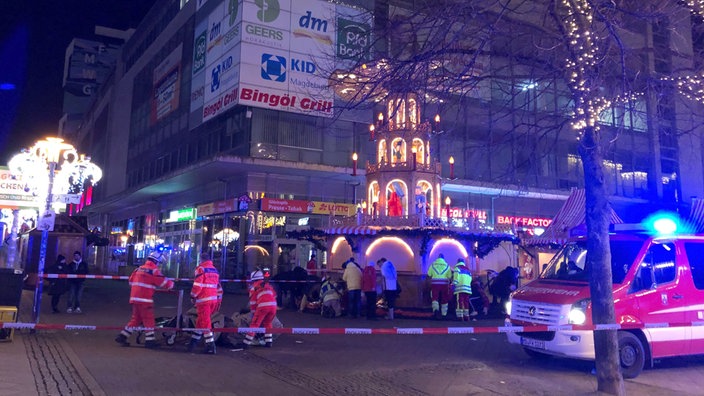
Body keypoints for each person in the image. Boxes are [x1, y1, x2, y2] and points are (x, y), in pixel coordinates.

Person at [115, 251, 174, 348]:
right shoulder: (154, 271)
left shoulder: (139, 269)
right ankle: (150, 341)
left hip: (134, 298)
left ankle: (122, 336)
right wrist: (172, 284)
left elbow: (131, 281)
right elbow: (166, 284)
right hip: (145, 300)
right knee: (149, 320)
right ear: (156, 261)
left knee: (136, 319)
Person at [187, 252, 223, 354]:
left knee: (205, 323)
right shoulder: (214, 270)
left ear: (201, 259)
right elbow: (217, 286)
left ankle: (210, 346)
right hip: (213, 300)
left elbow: (198, 285)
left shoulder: (201, 269)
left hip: (203, 300)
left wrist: (193, 295)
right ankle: (193, 342)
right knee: (201, 321)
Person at [240, 268, 277, 349]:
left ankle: (246, 343)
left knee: (254, 324)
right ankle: (269, 342)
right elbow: (274, 296)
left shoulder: (254, 288)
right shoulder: (268, 286)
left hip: (262, 307)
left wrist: (253, 313)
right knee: (268, 323)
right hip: (273, 306)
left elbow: (253, 303)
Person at [427, 253, 452, 319]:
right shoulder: (447, 265)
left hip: (435, 283)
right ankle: (444, 313)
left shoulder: (433, 265)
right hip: (444, 283)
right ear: (443, 258)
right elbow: (449, 276)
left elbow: (429, 274)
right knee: (444, 297)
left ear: (437, 258)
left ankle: (436, 311)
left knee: (435, 297)